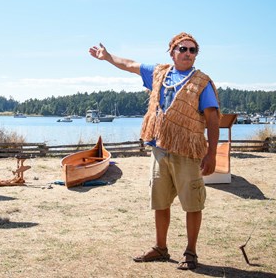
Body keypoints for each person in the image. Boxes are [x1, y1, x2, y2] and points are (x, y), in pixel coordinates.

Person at [89, 32, 220, 270]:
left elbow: (212, 118)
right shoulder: (159, 73)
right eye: (183, 49)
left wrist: (212, 153)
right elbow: (129, 64)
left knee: (192, 203)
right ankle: (161, 247)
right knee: (160, 201)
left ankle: (190, 252)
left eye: (193, 50)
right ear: (172, 52)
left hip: (188, 153)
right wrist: (107, 57)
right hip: (160, 150)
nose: (188, 54)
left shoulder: (202, 82)